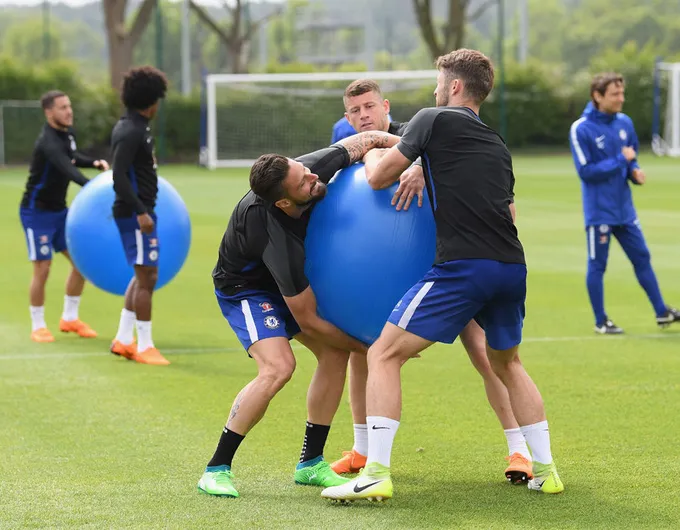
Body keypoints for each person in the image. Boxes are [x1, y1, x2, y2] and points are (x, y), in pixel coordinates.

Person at [321, 49, 564, 503]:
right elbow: (508, 210)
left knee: (383, 354)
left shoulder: (433, 118)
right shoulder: (496, 142)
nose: (435, 90)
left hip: (463, 268)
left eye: (438, 82)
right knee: (508, 363)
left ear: (453, 87)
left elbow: (376, 179)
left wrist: (373, 145)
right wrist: (420, 164)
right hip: (512, 267)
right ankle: (546, 469)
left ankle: (375, 472)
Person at [197, 129, 403, 498]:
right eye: (303, 182)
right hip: (246, 289)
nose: (313, 178)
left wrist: (411, 152)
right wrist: (370, 347)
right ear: (283, 204)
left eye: (305, 171)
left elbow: (369, 138)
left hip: (285, 286)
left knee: (334, 354)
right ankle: (216, 468)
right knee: (279, 367)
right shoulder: (273, 236)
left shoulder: (310, 169)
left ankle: (311, 464)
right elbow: (308, 320)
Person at [569, 72, 680, 334]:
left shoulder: (624, 123)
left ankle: (661, 311)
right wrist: (622, 161)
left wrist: (634, 171)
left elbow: (631, 158)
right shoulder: (581, 128)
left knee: (642, 257)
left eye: (622, 93)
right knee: (598, 265)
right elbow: (586, 171)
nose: (622, 98)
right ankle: (601, 321)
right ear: (597, 96)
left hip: (625, 210)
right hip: (600, 212)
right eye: (615, 94)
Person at [19, 90, 109, 343]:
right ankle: (38, 325)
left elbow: (73, 157)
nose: (69, 111)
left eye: (69, 106)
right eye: (62, 108)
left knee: (81, 263)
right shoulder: (47, 141)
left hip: (60, 212)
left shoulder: (66, 134)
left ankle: (69, 318)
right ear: (49, 113)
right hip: (36, 213)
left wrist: (94, 163)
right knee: (43, 268)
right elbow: (66, 167)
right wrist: (95, 187)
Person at [109, 66, 169, 366]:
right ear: (152, 100)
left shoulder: (135, 126)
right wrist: (142, 212)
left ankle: (123, 338)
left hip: (139, 213)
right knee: (148, 277)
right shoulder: (130, 130)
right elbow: (118, 177)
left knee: (143, 274)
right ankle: (144, 346)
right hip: (136, 216)